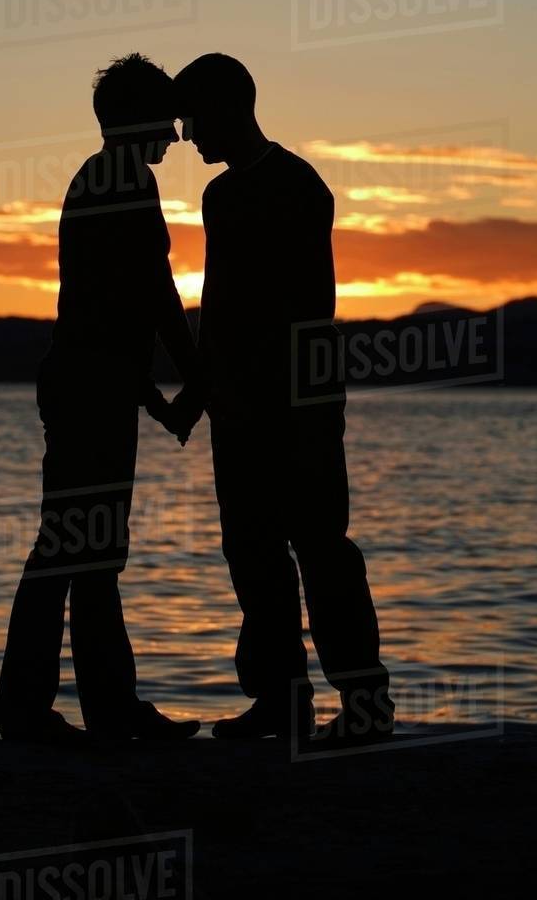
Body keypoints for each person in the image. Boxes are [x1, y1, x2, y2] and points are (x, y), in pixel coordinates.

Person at [172, 53, 394, 746]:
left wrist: (285, 402)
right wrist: (203, 394)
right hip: (239, 409)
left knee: (321, 549)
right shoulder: (219, 197)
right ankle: (282, 700)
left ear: (231, 106)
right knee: (252, 552)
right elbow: (218, 307)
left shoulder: (298, 186)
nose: (185, 134)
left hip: (297, 408)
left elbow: (299, 310)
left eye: (193, 117)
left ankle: (363, 703)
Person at [0, 53, 201, 745]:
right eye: (166, 119)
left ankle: (100, 708)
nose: (176, 135)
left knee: (86, 548)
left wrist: (152, 393)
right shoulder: (124, 182)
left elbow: (108, 311)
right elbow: (152, 296)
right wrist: (194, 382)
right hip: (90, 390)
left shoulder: (102, 178)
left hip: (93, 383)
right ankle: (49, 709)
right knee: (76, 547)